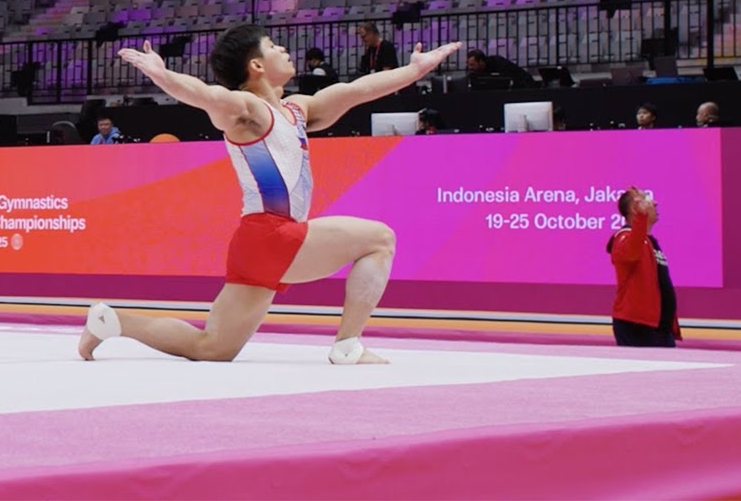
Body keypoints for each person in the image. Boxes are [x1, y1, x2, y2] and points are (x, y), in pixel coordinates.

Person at [83, 24, 463, 364]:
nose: (283, 49)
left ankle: (110, 321)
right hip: (274, 234)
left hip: (255, 245)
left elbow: (355, 91)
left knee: (212, 348)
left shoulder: (298, 109)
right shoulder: (249, 110)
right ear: (257, 66)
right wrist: (164, 76)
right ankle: (348, 345)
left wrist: (414, 70)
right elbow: (208, 96)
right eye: (273, 45)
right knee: (380, 239)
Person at [607, 187, 680, 347]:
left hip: (660, 328)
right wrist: (641, 217)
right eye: (647, 200)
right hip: (637, 327)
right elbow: (631, 251)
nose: (655, 202)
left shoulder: (650, 241)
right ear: (635, 208)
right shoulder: (622, 237)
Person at [464, 49, 536, 88]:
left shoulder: (498, 63)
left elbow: (508, 79)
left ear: (481, 61)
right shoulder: (471, 71)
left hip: (524, 86)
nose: (470, 67)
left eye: (472, 65)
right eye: (469, 64)